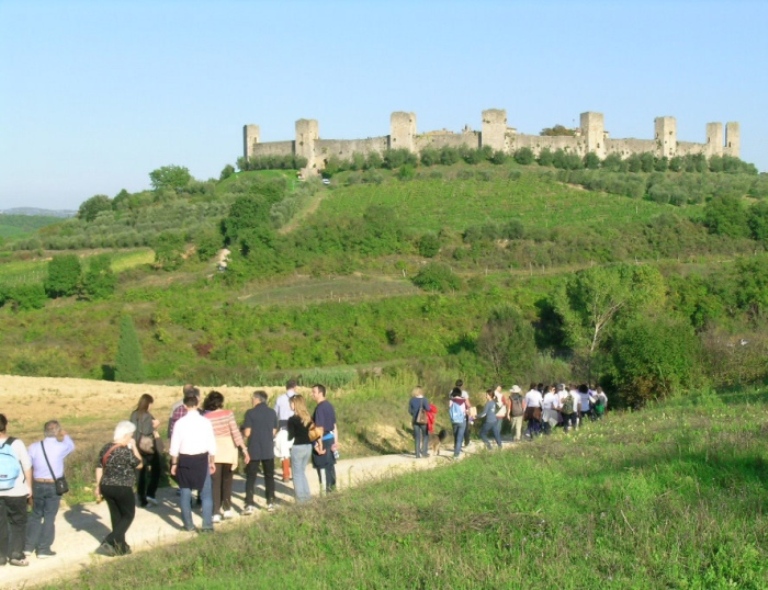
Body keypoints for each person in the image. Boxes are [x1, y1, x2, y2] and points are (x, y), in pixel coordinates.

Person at [25, 420, 75, 559]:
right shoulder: (61, 447)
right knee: (49, 517)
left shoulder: (34, 447)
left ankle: (28, 546)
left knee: (35, 515)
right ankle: (43, 548)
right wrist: (65, 435)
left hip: (37, 483)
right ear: (57, 431)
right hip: (53, 485)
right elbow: (71, 446)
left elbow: (28, 466)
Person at [94, 420, 143, 556]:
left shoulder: (106, 448)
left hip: (106, 486)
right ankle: (108, 541)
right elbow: (139, 464)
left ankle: (120, 547)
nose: (131, 438)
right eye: (130, 436)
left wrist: (98, 485)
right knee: (128, 515)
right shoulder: (124, 451)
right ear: (126, 435)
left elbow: (99, 467)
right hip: (122, 487)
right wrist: (134, 447)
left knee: (116, 516)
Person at [169, 393, 216, 532]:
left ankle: (188, 525)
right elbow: (211, 443)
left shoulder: (179, 423)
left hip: (185, 459)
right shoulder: (205, 422)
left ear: (184, 406)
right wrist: (212, 461)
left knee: (185, 493)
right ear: (197, 404)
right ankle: (207, 525)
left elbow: (174, 446)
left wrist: (174, 464)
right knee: (206, 494)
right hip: (202, 459)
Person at [202, 391, 248, 522]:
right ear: (221, 402)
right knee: (227, 480)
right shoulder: (228, 414)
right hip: (229, 448)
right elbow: (235, 433)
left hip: (214, 450)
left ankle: (215, 511)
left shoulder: (206, 417)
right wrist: (244, 449)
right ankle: (227, 509)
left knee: (215, 482)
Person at [0, 414, 32, 567]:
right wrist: (29, 487)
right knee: (18, 523)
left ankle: (0, 557)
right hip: (16, 491)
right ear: (6, 425)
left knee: (0, 524)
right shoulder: (16, 443)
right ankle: (16, 555)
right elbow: (27, 466)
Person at [243, 390, 277, 513]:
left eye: (253, 398)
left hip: (254, 448)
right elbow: (274, 432)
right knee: (269, 476)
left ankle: (249, 504)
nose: (252, 400)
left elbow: (247, 432)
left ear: (258, 399)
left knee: (251, 477)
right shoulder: (272, 412)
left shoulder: (250, 413)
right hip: (268, 448)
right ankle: (271, 501)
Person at [130, 393, 162, 508]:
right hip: (147, 447)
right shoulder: (147, 416)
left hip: (135, 446)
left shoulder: (134, 414)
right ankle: (150, 493)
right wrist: (155, 426)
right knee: (157, 469)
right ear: (148, 404)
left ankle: (141, 498)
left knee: (141, 473)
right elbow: (147, 431)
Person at [311, 384, 338, 493]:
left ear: (320, 393)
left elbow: (320, 428)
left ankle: (326, 494)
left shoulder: (320, 408)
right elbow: (335, 426)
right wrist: (336, 442)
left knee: (323, 469)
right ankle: (333, 491)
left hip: (324, 440)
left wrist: (319, 445)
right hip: (330, 438)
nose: (312, 394)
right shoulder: (329, 406)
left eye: (314, 392)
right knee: (330, 467)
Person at [286, 394, 313, 503]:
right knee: (301, 472)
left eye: (291, 403)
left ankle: (301, 500)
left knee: (296, 474)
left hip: (298, 447)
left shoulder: (292, 420)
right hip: (308, 446)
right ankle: (307, 496)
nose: (290, 405)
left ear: (295, 404)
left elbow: (290, 436)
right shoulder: (308, 418)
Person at [274, 379, 297, 482]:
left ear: (286, 387)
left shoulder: (280, 399)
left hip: (283, 426)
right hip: (295, 425)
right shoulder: (298, 398)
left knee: (284, 451)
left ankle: (286, 474)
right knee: (294, 449)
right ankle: (296, 473)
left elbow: (275, 414)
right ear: (295, 387)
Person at [408, 386, 430, 458]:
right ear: (421, 391)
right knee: (425, 436)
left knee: (417, 437)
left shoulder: (411, 400)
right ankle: (424, 452)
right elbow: (428, 408)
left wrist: (414, 415)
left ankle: (417, 454)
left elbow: (410, 411)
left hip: (415, 420)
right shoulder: (424, 399)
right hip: (423, 420)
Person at [448, 387, 467, 459]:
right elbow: (464, 411)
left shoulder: (451, 401)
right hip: (462, 421)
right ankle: (456, 455)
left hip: (454, 421)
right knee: (459, 438)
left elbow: (450, 409)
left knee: (456, 436)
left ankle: (456, 449)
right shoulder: (463, 401)